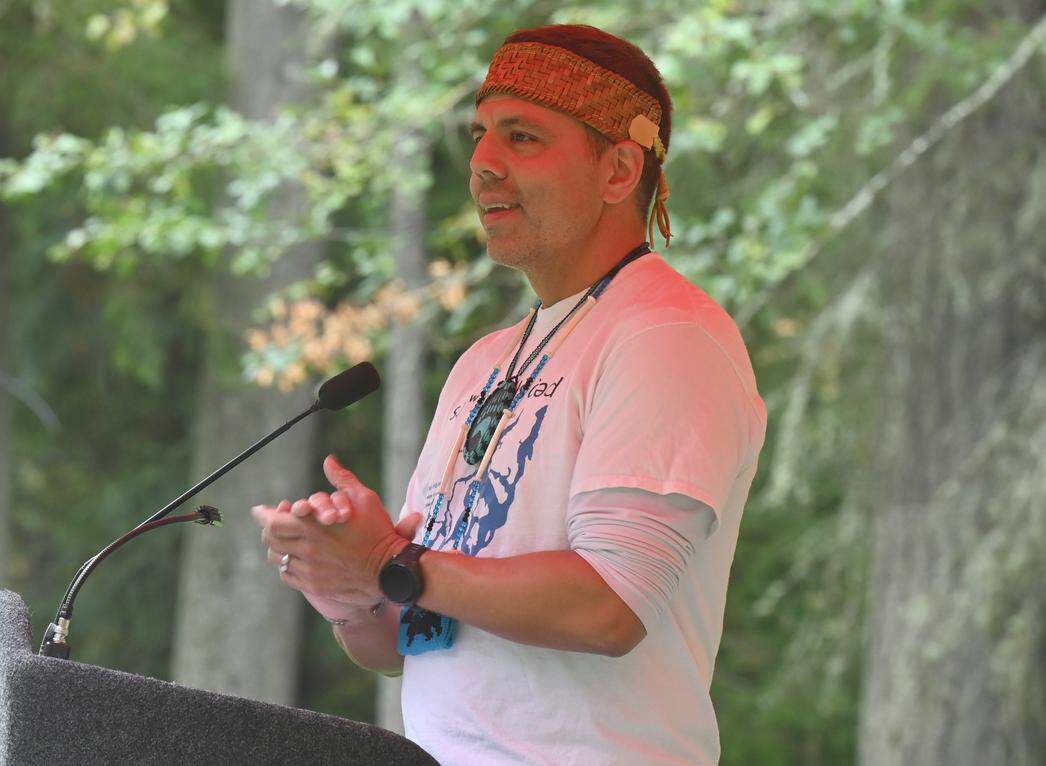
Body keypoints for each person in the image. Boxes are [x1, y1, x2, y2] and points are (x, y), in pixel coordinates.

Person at [252, 24, 767, 765]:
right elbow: (408, 639)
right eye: (481, 135)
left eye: (522, 138)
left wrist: (390, 560)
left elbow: (608, 608)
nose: (482, 164)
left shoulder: (666, 335)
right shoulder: (482, 364)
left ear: (620, 169)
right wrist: (351, 592)